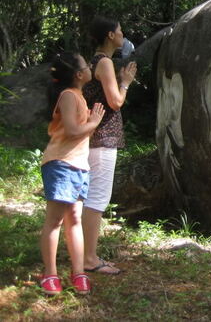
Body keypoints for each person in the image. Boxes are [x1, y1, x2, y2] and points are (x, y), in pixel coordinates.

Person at [40, 52, 105, 296]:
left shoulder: (77, 95)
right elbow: (73, 130)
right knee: (55, 221)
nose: (91, 67)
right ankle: (50, 274)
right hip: (61, 164)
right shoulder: (68, 95)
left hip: (78, 166)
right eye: (88, 65)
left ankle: (78, 273)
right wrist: (94, 122)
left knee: (75, 220)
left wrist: (92, 120)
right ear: (79, 74)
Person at [81, 16, 137, 275]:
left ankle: (86, 254)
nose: (123, 35)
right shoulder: (103, 62)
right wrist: (125, 82)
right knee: (97, 199)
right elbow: (115, 102)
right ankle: (89, 259)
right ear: (110, 36)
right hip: (103, 137)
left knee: (90, 197)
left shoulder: (95, 61)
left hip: (94, 136)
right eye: (120, 31)